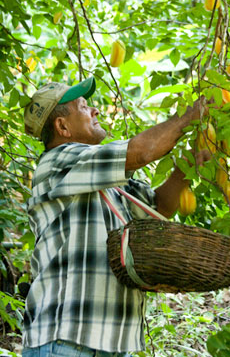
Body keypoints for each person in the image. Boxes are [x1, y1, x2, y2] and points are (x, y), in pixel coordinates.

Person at [22, 76, 209, 357]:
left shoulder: (103, 177)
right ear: (62, 127)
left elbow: (159, 206)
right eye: (84, 107)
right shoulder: (58, 162)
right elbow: (141, 152)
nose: (95, 111)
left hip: (114, 344)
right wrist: (187, 118)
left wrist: (190, 163)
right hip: (63, 342)